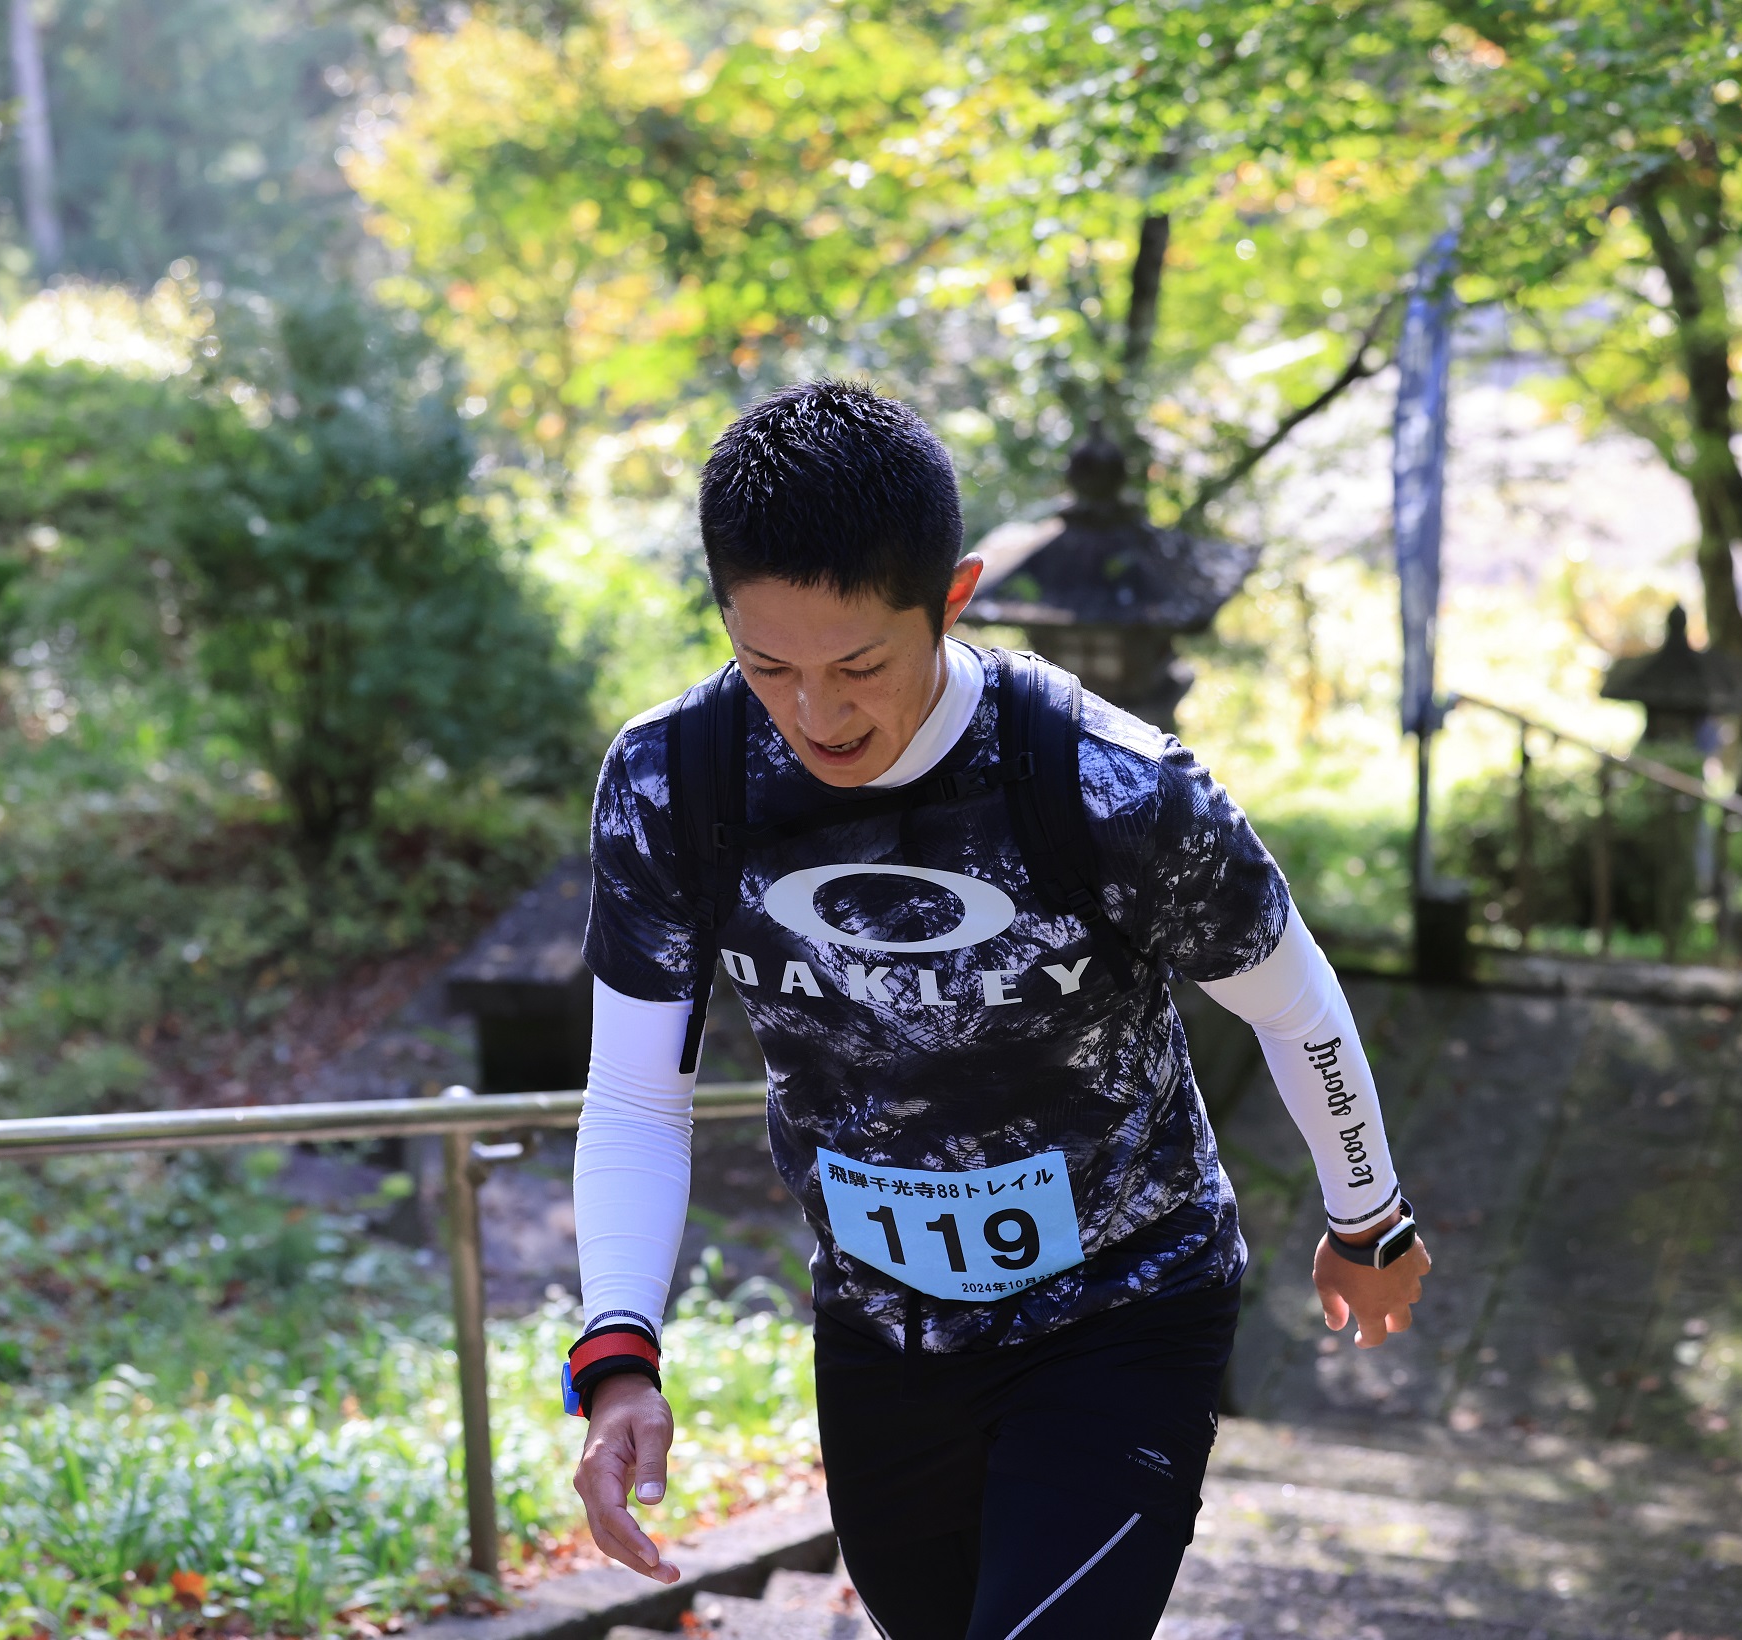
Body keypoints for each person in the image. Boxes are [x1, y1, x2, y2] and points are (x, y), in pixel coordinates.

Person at [562, 380, 1431, 1639]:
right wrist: (619, 1350)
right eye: (768, 665)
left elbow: (1293, 1003)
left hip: (1122, 1310)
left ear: (954, 597)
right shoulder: (674, 780)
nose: (815, 714)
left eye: (860, 665)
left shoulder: (1110, 786)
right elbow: (640, 1094)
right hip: (881, 1330)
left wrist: (1370, 1216)